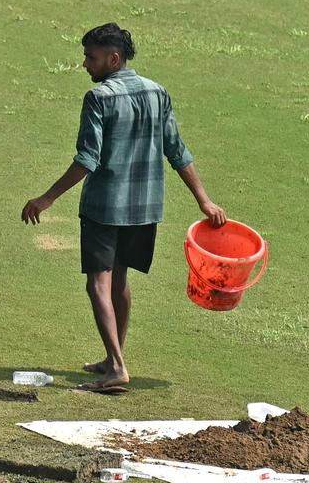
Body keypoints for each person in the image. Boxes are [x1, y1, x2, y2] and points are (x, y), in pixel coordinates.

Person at [21, 23, 227, 392]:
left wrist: (46, 198)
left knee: (97, 284)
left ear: (113, 59)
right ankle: (113, 356)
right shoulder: (157, 91)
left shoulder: (99, 98)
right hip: (145, 208)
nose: (86, 64)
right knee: (120, 279)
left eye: (91, 57)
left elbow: (87, 159)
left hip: (105, 207)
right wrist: (205, 200)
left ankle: (116, 366)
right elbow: (176, 150)